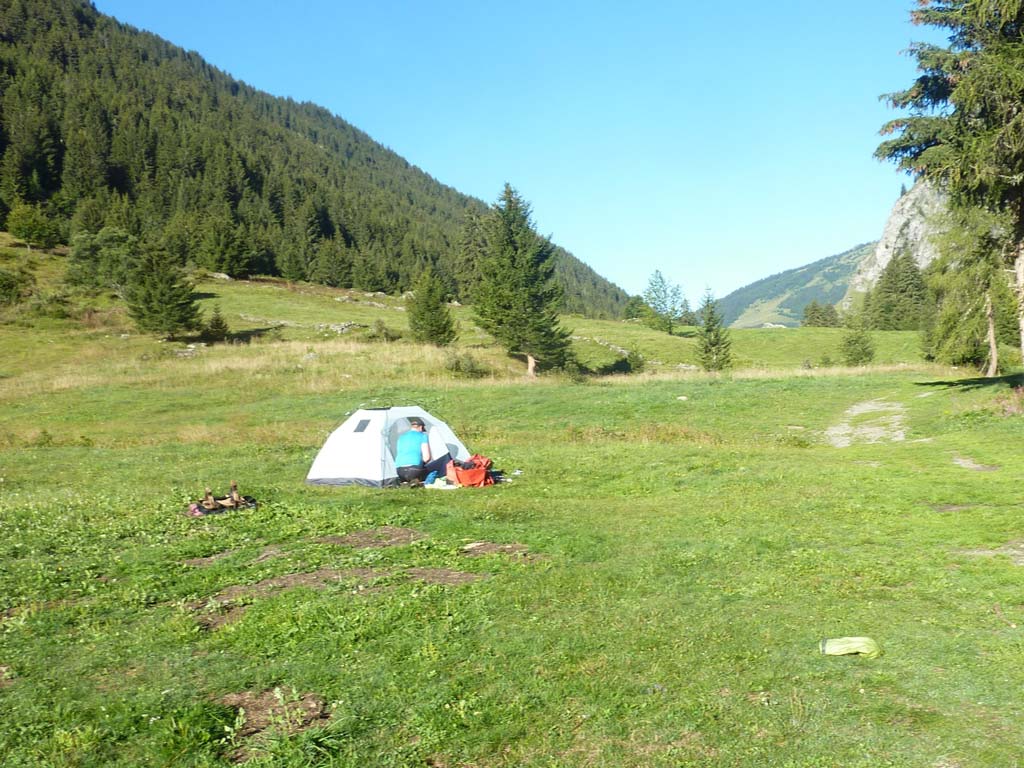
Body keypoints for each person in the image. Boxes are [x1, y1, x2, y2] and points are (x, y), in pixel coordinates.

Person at [395, 416, 452, 486]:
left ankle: (408, 481)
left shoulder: (401, 437)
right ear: (421, 427)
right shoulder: (422, 436)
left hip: (399, 472)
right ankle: (417, 480)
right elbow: (426, 458)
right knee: (445, 458)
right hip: (414, 471)